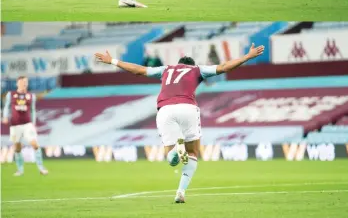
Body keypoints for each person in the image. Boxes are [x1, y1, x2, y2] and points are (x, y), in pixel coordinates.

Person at [95, 42, 265, 203]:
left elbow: (139, 70)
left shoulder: (165, 70)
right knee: (192, 153)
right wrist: (247, 57)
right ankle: (180, 192)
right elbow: (223, 67)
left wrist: (113, 61)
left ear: (177, 64)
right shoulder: (197, 69)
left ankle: (176, 150)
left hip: (165, 110)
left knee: (172, 160)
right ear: (191, 65)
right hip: (187, 108)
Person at [2, 76, 48, 176]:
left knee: (35, 144)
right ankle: (20, 170)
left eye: (25, 82)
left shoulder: (31, 96)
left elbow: (32, 110)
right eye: (22, 82)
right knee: (17, 148)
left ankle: (41, 168)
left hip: (27, 124)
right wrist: (5, 117)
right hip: (15, 125)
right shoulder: (11, 94)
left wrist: (34, 123)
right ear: (17, 83)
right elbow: (7, 107)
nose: (24, 84)